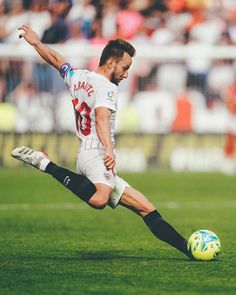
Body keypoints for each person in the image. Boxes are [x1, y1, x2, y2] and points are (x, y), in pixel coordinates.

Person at [12, 24, 192, 259]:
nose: (126, 74)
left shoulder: (78, 77)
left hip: (87, 154)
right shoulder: (107, 88)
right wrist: (109, 150)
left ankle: (189, 249)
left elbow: (56, 60)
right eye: (125, 68)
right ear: (111, 63)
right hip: (96, 155)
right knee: (99, 199)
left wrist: (35, 42)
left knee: (145, 207)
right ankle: (45, 164)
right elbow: (101, 118)